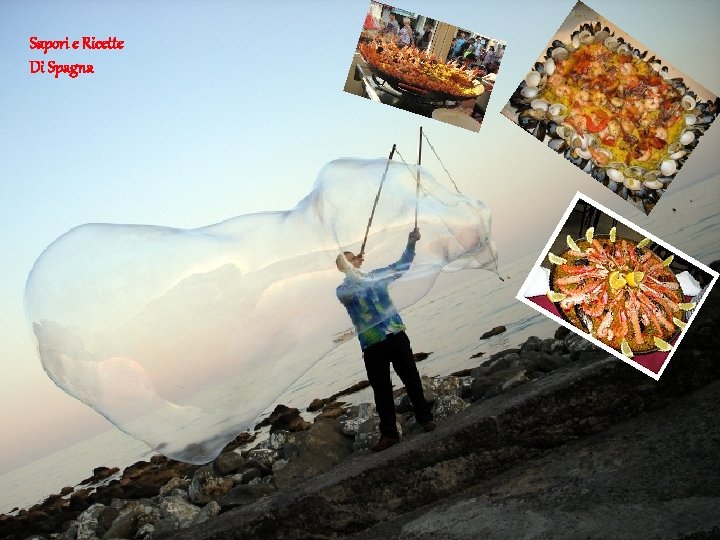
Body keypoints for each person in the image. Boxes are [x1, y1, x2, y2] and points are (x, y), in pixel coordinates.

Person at [336, 228, 435, 452]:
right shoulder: (343, 289)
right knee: (382, 390)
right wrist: (355, 271)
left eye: (354, 259)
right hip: (372, 345)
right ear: (343, 267)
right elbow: (351, 295)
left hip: (396, 334)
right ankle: (389, 434)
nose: (353, 262)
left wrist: (411, 243)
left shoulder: (376, 276)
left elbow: (402, 265)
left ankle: (425, 418)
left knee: (411, 378)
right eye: (348, 261)